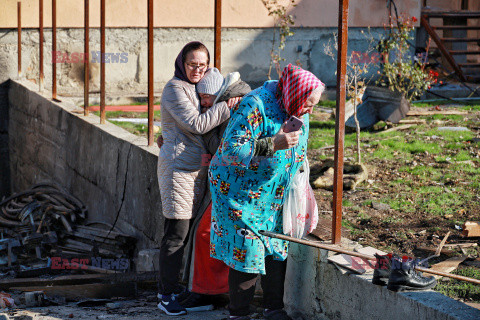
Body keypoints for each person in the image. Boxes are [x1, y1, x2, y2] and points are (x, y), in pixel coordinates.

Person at [208, 64, 325, 320]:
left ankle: (274, 309)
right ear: (295, 93)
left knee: (276, 244)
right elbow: (230, 151)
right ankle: (238, 313)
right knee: (247, 249)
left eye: (314, 105)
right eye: (309, 103)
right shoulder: (255, 105)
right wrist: (273, 144)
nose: (310, 110)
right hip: (240, 192)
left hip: (274, 193)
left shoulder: (296, 105)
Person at [156, 41, 238, 316]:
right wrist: (225, 105)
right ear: (182, 62)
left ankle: (173, 288)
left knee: (184, 234)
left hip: (194, 172)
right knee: (175, 235)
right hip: (178, 172)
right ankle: (166, 295)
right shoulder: (174, 88)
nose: (198, 70)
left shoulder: (198, 85)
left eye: (202, 65)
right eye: (192, 64)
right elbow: (196, 124)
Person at [179, 67, 251, 308]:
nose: (202, 102)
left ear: (216, 92)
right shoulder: (225, 104)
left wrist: (210, 123)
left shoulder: (233, 105)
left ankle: (210, 293)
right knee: (206, 233)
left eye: (204, 97)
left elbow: (224, 146)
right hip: (224, 181)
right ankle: (205, 290)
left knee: (206, 232)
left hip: (235, 183)